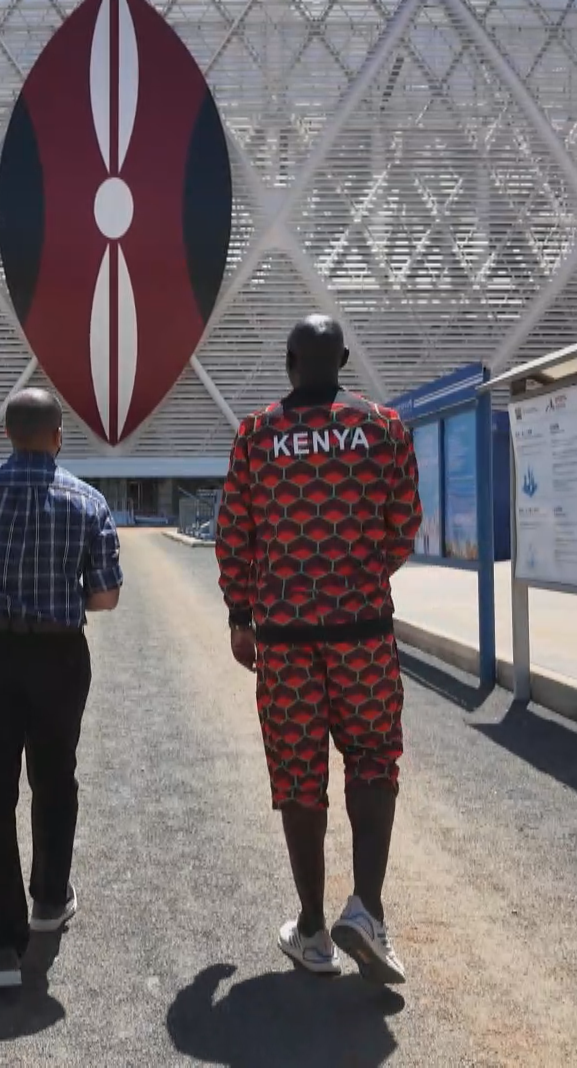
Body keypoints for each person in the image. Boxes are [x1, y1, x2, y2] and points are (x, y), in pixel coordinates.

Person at [215, 315, 422, 985]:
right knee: (372, 759)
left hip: (285, 642)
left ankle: (311, 929)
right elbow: (403, 526)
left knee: (298, 774)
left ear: (289, 361)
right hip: (362, 633)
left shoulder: (256, 435)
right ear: (343, 360)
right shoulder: (383, 428)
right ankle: (367, 910)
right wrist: (357, 576)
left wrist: (243, 614)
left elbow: (234, 534)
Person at [0, 388, 124, 989]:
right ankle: (48, 901)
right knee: (54, 779)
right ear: (58, 436)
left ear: (7, 435)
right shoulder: (87, 502)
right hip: (58, 655)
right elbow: (108, 595)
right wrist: (61, 602)